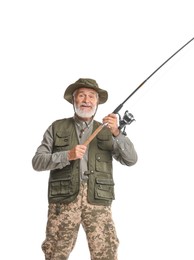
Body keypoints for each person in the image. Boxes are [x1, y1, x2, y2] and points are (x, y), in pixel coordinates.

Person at [32, 78, 138, 260]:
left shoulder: (107, 130)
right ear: (74, 100)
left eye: (91, 96)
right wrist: (66, 155)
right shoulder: (57, 127)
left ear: (97, 102)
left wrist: (117, 134)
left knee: (106, 253)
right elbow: (37, 162)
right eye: (81, 95)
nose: (86, 100)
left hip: (97, 200)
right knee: (54, 253)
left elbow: (131, 160)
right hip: (63, 201)